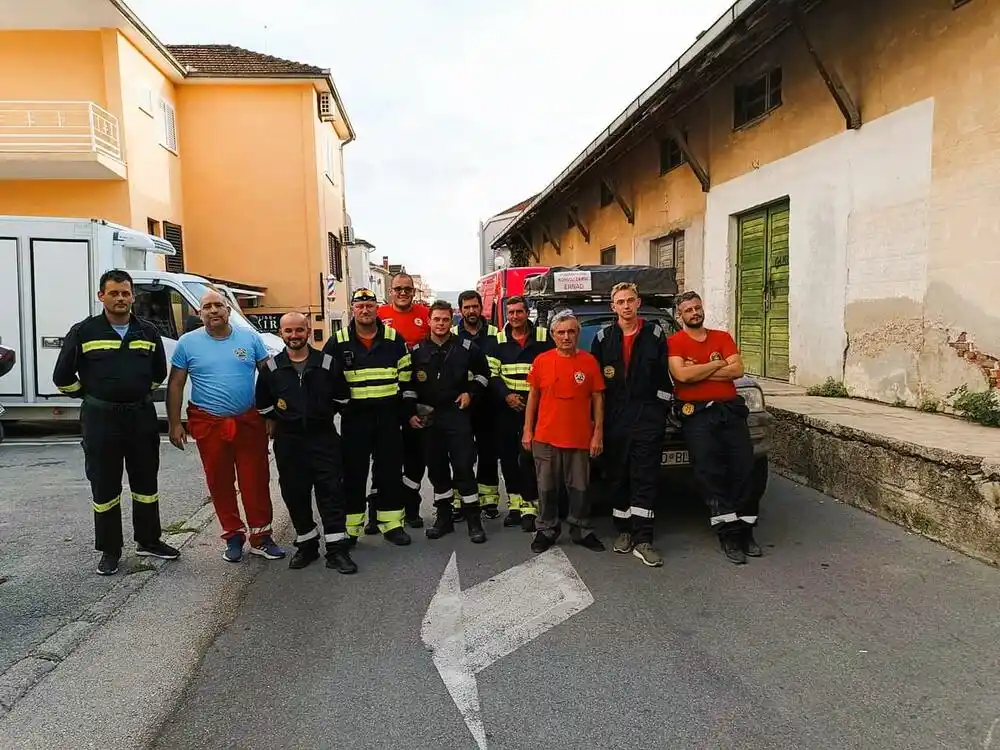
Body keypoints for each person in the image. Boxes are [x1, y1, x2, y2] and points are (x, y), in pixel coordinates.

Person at [53, 269, 179, 576]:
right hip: (101, 419)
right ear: (101, 296)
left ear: (133, 297)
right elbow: (62, 378)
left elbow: (158, 375)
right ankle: (110, 549)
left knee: (146, 483)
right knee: (105, 485)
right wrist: (93, 396)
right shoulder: (84, 331)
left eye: (126, 293)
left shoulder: (147, 331)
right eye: (114, 293)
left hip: (140, 417)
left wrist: (133, 397)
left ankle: (149, 540)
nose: (120, 298)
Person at [166, 290, 285, 564]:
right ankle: (233, 536)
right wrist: (175, 424)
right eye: (207, 307)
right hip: (209, 423)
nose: (213, 310)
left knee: (255, 478)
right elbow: (176, 384)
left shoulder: (250, 338)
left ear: (228, 310)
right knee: (219, 481)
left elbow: (268, 376)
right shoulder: (187, 343)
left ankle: (261, 537)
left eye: (219, 305)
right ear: (199, 313)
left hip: (248, 421)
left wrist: (271, 416)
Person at [255, 312, 356, 574]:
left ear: (308, 331)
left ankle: (336, 550)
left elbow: (343, 398)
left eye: (299, 330)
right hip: (289, 441)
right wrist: (283, 419)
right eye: (288, 331)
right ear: (281, 333)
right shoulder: (271, 368)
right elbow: (263, 404)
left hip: (323, 437)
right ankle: (307, 545)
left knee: (331, 492)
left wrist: (320, 414)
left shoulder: (327, 363)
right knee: (295, 493)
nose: (294, 336)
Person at [667, 291, 760, 565]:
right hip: (697, 416)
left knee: (744, 469)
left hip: (730, 411)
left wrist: (703, 368)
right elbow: (681, 375)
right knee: (710, 474)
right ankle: (729, 534)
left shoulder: (722, 337)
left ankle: (746, 531)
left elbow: (737, 371)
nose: (694, 313)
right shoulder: (675, 342)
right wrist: (719, 364)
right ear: (680, 316)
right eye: (688, 310)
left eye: (697, 307)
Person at [590, 282, 673, 568]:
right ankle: (623, 531)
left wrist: (658, 412)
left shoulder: (655, 333)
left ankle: (644, 538)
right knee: (618, 476)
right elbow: (597, 386)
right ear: (612, 307)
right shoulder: (602, 338)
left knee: (645, 477)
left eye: (630, 300)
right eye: (620, 302)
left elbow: (665, 378)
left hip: (647, 418)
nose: (626, 306)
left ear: (638, 303)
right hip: (615, 420)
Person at [323, 288, 413, 547]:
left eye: (370, 305)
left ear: (377, 308)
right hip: (355, 419)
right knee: (353, 473)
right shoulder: (338, 341)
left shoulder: (394, 339)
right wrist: (338, 409)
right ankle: (351, 527)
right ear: (353, 309)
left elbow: (406, 378)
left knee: (390, 472)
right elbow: (326, 381)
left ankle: (392, 524)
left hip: (388, 417)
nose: (365, 310)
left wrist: (405, 413)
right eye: (360, 305)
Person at [522, 309, 605, 554]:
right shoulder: (542, 361)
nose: (566, 336)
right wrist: (527, 429)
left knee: (580, 489)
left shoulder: (589, 361)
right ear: (553, 335)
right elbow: (533, 397)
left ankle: (580, 529)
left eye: (571, 331)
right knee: (546, 488)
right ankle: (546, 529)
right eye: (561, 332)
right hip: (546, 437)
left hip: (579, 437)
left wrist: (597, 433)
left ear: (577, 333)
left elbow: (598, 398)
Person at [411, 301, 491, 543]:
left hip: (457, 415)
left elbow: (484, 374)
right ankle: (443, 518)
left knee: (464, 466)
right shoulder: (417, 351)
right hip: (429, 418)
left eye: (445, 319)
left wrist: (471, 393)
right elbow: (407, 386)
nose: (441, 324)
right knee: (436, 470)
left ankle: (473, 521)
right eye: (437, 319)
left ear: (452, 321)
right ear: (429, 321)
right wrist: (410, 412)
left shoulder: (467, 348)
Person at [488, 295, 553, 532]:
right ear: (507, 315)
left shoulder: (544, 338)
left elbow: (552, 369)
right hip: (506, 408)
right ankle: (514, 505)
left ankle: (529, 507)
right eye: (511, 312)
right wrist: (507, 396)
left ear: (527, 313)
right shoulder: (497, 340)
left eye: (519, 311)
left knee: (528, 458)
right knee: (507, 458)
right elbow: (492, 374)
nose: (515, 316)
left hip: (535, 409)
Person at [374, 272, 430, 530]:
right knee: (383, 455)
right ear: (391, 291)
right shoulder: (379, 314)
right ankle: (376, 509)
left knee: (415, 454)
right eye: (398, 289)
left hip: (417, 392)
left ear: (413, 292)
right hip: (385, 394)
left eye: (408, 289)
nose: (403, 293)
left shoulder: (426, 315)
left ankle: (411, 507)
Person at [451, 290, 500, 520]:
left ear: (482, 308)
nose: (471, 311)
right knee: (462, 454)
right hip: (461, 404)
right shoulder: (452, 335)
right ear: (460, 310)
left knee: (488, 452)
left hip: (488, 403)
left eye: (475, 306)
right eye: (466, 307)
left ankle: (488, 500)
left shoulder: (494, 335)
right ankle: (461, 499)